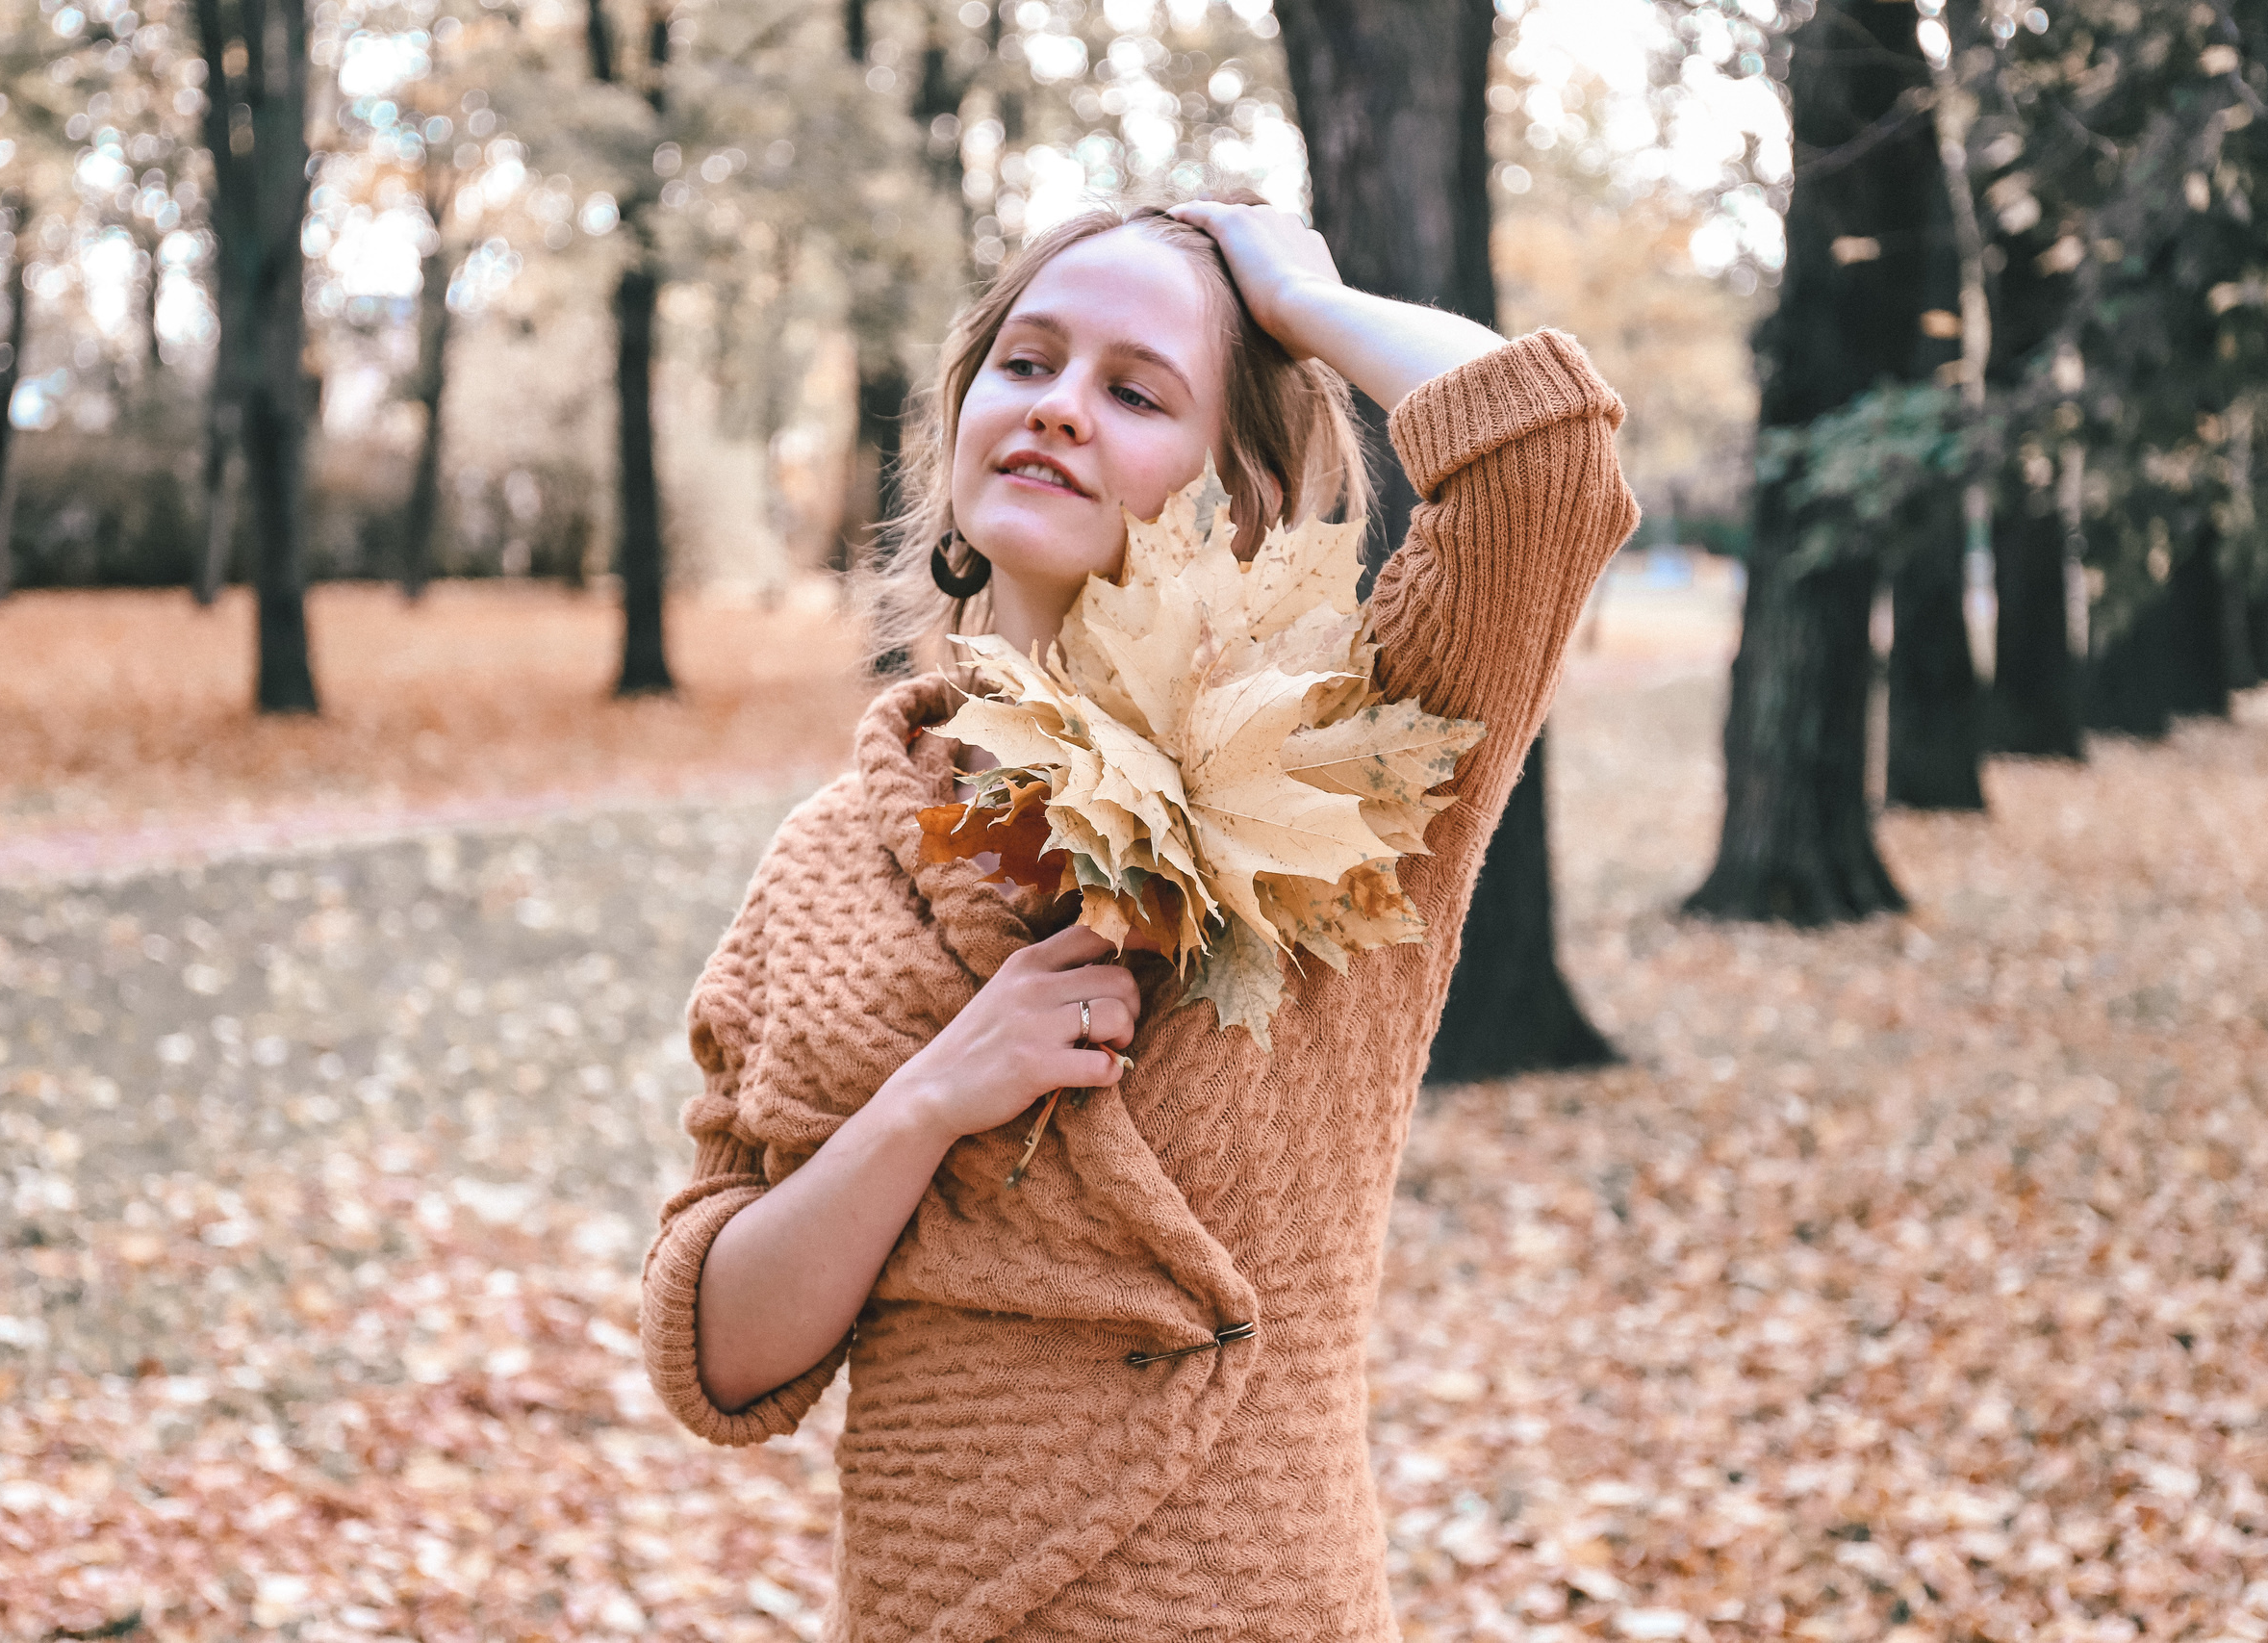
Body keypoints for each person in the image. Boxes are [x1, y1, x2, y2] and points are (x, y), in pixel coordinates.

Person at [640, 195, 1640, 1641]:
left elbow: (1544, 457)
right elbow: (718, 1357)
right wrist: (932, 1098)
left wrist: (1294, 303)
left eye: (1134, 389)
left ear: (1234, 491)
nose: (1058, 411)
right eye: (1026, 363)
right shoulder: (831, 862)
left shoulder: (1351, 764)